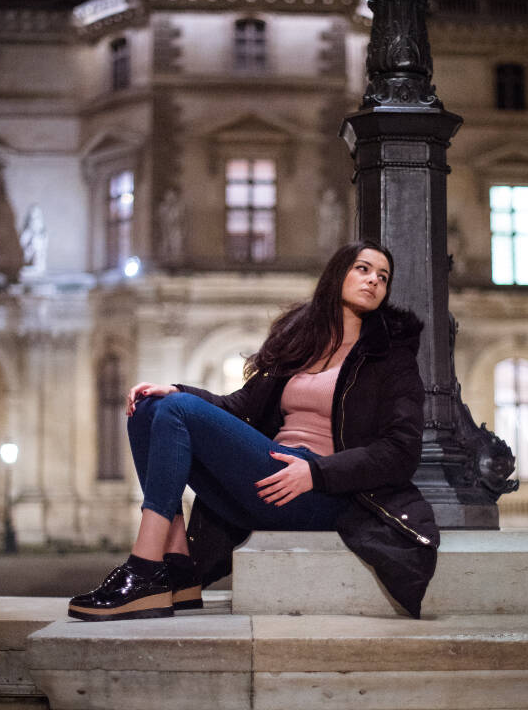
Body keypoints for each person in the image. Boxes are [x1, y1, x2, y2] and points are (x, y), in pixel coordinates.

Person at [68, 240, 439, 622]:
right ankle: (177, 570)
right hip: (270, 469)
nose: (374, 281)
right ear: (338, 274)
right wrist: (178, 390)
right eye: (363, 269)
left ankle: (144, 569)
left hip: (323, 491)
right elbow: (241, 407)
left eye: (383, 277)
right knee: (149, 407)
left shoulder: (390, 358)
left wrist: (316, 472)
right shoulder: (304, 342)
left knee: (175, 411)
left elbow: (400, 450)